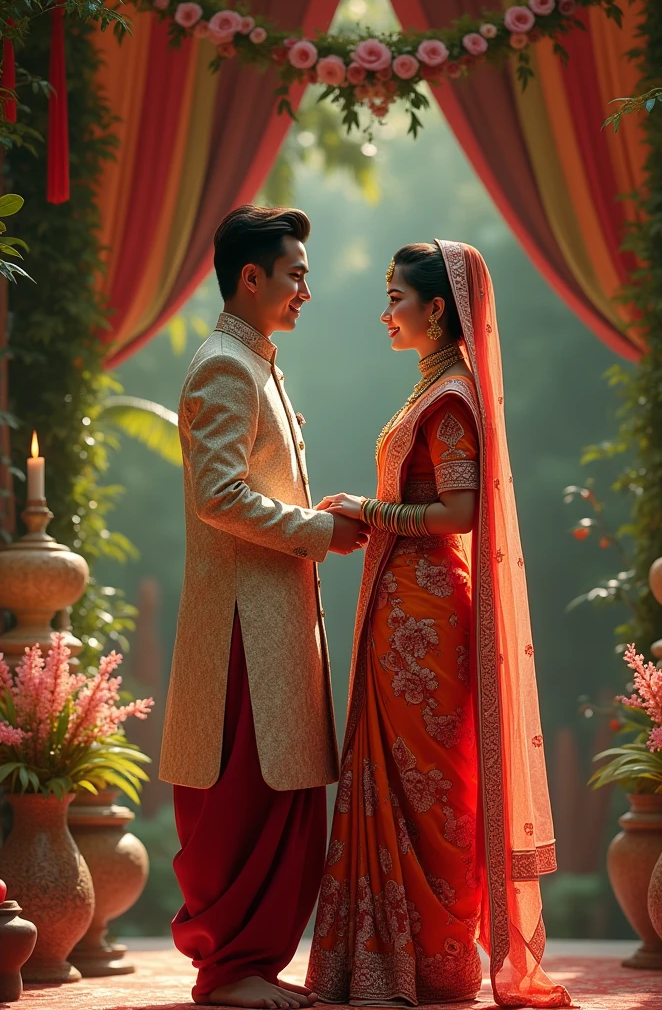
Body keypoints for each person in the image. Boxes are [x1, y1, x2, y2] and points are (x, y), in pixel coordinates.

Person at [307, 241, 572, 1008]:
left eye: (396, 297)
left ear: (437, 309)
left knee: (430, 791)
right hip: (401, 606)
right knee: (400, 784)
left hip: (425, 616)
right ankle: (397, 960)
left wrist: (368, 510)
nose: (385, 311)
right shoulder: (430, 388)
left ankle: (438, 959)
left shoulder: (450, 396)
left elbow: (459, 514)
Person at [159, 205, 369, 1009]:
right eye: (297, 274)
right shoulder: (224, 365)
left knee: (283, 792)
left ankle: (249, 964)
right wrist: (317, 529)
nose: (306, 290)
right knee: (244, 795)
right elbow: (219, 495)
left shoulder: (257, 362)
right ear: (253, 277)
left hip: (274, 621)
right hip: (242, 627)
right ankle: (230, 968)